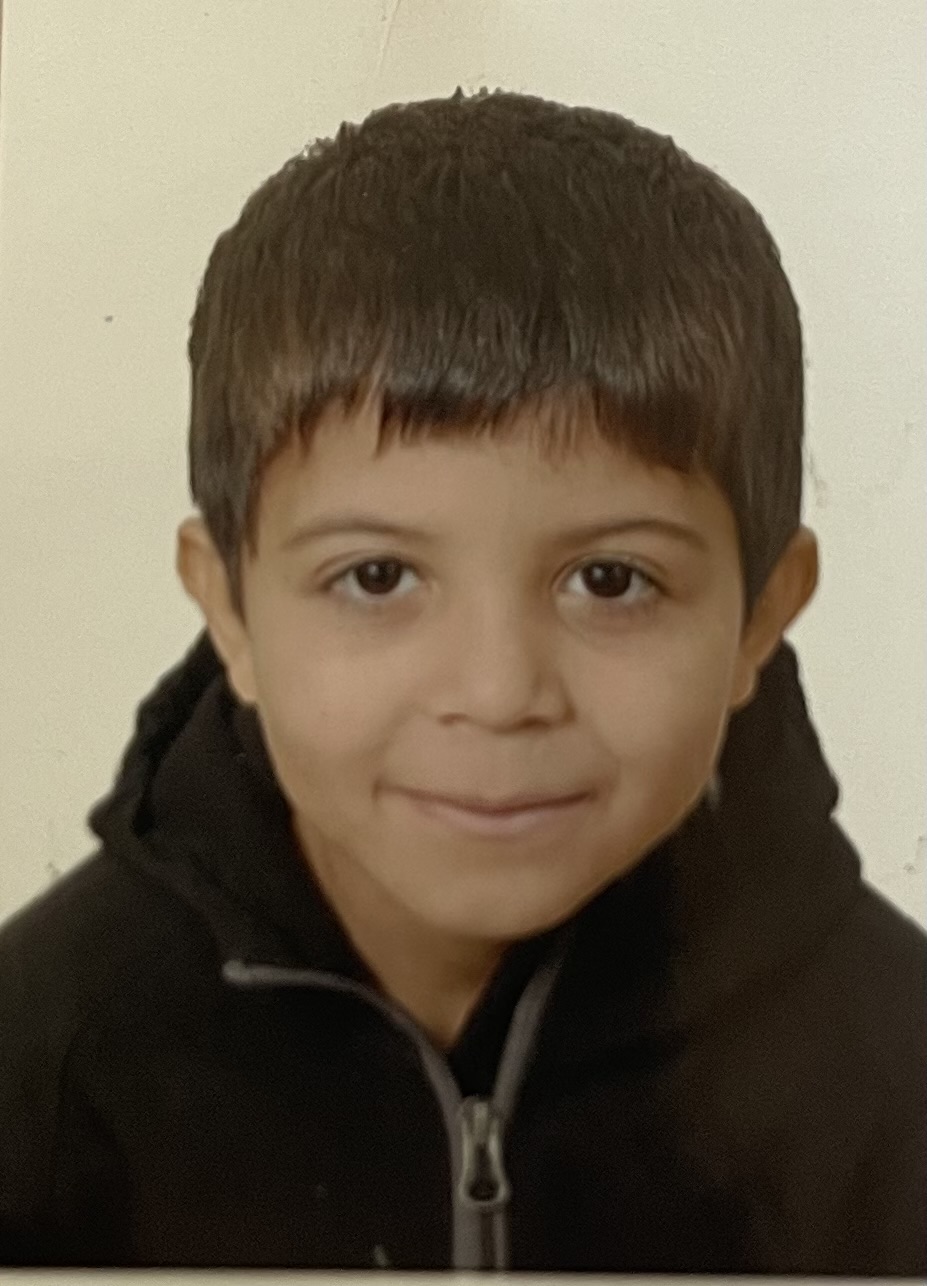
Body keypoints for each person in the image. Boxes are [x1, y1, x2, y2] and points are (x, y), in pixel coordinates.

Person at [0, 88, 923, 1273]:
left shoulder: (897, 1080)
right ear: (227, 607)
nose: (496, 691)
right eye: (377, 575)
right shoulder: (38, 1069)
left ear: (761, 617)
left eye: (610, 579)